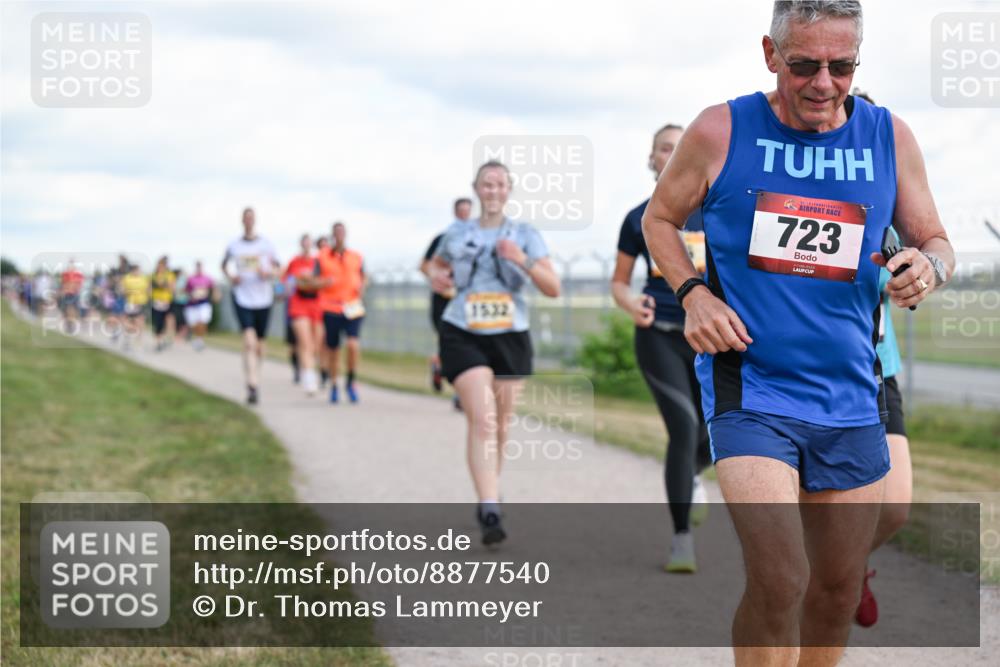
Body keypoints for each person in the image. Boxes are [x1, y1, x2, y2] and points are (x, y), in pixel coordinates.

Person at [641, 2, 953, 663]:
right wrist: (692, 293)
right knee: (782, 577)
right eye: (805, 64)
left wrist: (928, 266)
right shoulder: (721, 129)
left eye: (842, 66)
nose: (823, 83)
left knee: (837, 588)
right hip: (751, 385)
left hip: (849, 392)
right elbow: (659, 219)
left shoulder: (887, 137)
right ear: (770, 53)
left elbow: (936, 240)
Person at [428, 160, 561, 545]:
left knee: (501, 425)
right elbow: (434, 266)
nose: (493, 190)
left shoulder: (525, 234)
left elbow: (553, 287)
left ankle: (491, 490)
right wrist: (437, 278)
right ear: (476, 188)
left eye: (500, 184)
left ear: (509, 190)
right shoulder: (456, 232)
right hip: (462, 330)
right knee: (483, 421)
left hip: (510, 335)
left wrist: (521, 259)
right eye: (486, 184)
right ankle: (489, 506)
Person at [612, 123, 712, 573]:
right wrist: (631, 303)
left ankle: (690, 475)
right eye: (663, 148)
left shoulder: (716, 212)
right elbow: (618, 283)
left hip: (709, 337)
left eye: (679, 147)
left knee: (716, 433)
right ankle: (682, 539)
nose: (671, 154)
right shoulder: (638, 218)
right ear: (651, 159)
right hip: (659, 336)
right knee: (685, 427)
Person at [221, 207, 281, 404]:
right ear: (242, 221)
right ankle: (252, 384)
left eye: (251, 218)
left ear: (255, 220)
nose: (248, 221)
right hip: (242, 297)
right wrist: (232, 276)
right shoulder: (234, 245)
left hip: (263, 298)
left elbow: (278, 267)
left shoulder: (266, 244)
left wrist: (269, 274)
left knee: (260, 346)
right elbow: (223, 265)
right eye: (245, 218)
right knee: (249, 341)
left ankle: (255, 375)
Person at [420, 197, 472, 408]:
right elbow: (425, 265)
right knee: (450, 344)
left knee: (468, 345)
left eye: (467, 212)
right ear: (454, 212)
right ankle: (442, 367)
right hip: (443, 302)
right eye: (461, 211)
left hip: (467, 302)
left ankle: (459, 391)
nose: (464, 216)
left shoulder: (476, 239)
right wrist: (439, 278)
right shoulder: (444, 238)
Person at [317, 222, 366, 403]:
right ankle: (334, 384)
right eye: (336, 232)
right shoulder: (322, 257)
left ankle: (351, 381)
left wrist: (362, 287)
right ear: (332, 235)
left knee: (353, 345)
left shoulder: (356, 256)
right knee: (334, 350)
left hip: (352, 307)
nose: (339, 235)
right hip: (331, 308)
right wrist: (322, 283)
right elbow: (313, 281)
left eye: (342, 232)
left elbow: (363, 275)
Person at [284, 233, 324, 396]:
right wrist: (300, 283)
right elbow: (288, 282)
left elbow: (324, 282)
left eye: (309, 243)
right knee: (305, 341)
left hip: (316, 305)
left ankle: (305, 368)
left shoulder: (318, 262)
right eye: (304, 242)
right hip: (298, 306)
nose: (307, 245)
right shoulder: (294, 262)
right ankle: (309, 378)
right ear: (301, 244)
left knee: (315, 345)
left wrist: (310, 283)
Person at [184, 261, 215, 351]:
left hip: (203, 303)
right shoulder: (191, 278)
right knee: (194, 324)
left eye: (200, 267)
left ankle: (199, 340)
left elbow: (213, 287)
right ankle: (195, 336)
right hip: (192, 304)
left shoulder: (208, 278)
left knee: (203, 321)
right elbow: (186, 290)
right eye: (197, 267)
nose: (199, 269)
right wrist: (191, 295)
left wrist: (215, 295)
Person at [120, 263, 150, 352]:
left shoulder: (144, 278)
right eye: (137, 270)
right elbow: (122, 290)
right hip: (130, 303)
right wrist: (128, 292)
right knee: (129, 323)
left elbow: (148, 289)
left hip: (141, 303)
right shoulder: (127, 278)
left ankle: (138, 342)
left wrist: (147, 295)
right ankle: (128, 340)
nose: (138, 272)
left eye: (139, 270)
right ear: (133, 270)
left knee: (140, 322)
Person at [149, 256, 176, 351]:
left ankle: (166, 338)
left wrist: (165, 285)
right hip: (156, 302)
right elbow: (149, 288)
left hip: (167, 302)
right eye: (159, 265)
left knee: (168, 321)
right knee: (158, 323)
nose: (160, 267)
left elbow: (173, 288)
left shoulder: (169, 275)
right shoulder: (153, 276)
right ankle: (158, 342)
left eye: (162, 265)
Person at [59, 259, 84, 331]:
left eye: (72, 265)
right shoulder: (65, 274)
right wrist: (62, 291)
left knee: (72, 309)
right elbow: (63, 284)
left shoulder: (78, 274)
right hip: (67, 293)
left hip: (74, 294)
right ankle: (69, 324)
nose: (71, 266)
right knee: (66, 310)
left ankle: (71, 324)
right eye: (70, 264)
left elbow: (79, 284)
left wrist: (76, 289)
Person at [170, 267, 189, 343]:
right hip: (176, 301)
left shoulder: (184, 279)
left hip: (184, 302)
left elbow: (186, 289)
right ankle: (178, 334)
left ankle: (183, 335)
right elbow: (173, 290)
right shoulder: (174, 280)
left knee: (183, 319)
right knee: (177, 319)